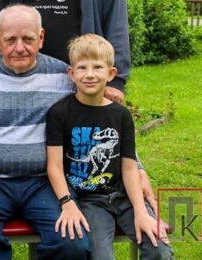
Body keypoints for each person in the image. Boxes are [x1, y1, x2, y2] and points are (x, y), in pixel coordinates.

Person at [0, 4, 89, 259]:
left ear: (41, 38)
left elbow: (100, 121)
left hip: (45, 182)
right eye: (10, 40)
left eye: (28, 39)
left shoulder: (63, 76)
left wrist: (136, 166)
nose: (20, 48)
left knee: (72, 243)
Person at [46, 34, 173, 259]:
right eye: (82, 67)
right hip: (89, 200)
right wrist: (67, 201)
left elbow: (129, 168)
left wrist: (141, 211)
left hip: (124, 196)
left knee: (159, 248)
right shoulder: (60, 113)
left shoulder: (121, 115)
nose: (90, 74)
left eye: (97, 67)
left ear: (111, 73)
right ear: (71, 73)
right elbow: (54, 166)